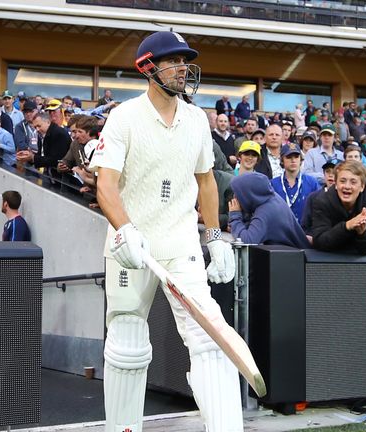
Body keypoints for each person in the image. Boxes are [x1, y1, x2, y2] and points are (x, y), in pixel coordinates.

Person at [89, 31, 242, 432]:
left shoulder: (196, 120)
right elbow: (106, 184)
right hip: (131, 248)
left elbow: (206, 182)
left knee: (209, 337)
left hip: (180, 243)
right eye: (173, 60)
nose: (183, 68)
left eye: (185, 60)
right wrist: (124, 230)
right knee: (127, 341)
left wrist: (214, 236)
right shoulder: (124, 116)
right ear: (148, 67)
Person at [310, 160, 366, 254]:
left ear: (362, 187)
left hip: (360, 260)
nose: (347, 186)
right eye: (342, 181)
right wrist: (346, 226)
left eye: (353, 182)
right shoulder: (322, 201)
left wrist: (362, 233)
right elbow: (319, 242)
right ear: (336, 184)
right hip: (330, 258)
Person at [228, 172, 310, 247]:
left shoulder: (266, 212)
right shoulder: (268, 198)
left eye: (238, 193)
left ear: (249, 193)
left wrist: (235, 216)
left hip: (293, 258)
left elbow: (246, 241)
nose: (235, 196)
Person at [271, 143, 319, 225]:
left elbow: (318, 210)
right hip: (280, 233)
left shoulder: (312, 183)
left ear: (301, 159)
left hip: (305, 233)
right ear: (282, 160)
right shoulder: (272, 184)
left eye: (296, 157)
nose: (293, 160)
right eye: (289, 157)